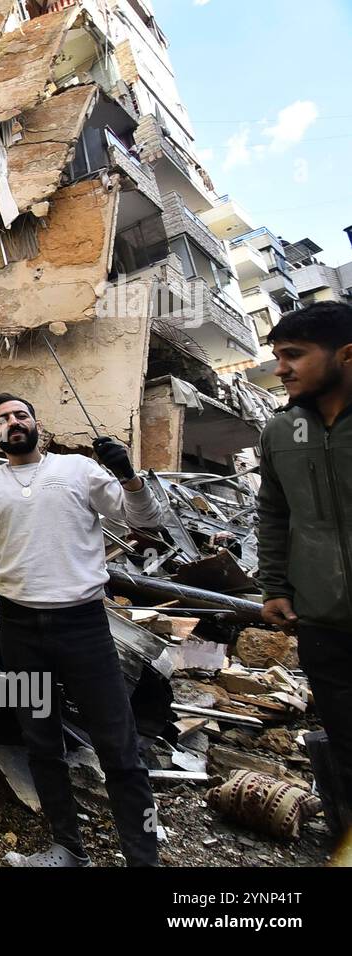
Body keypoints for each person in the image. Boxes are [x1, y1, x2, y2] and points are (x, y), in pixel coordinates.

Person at [0, 393, 166, 867]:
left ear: (36, 423)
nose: (13, 422)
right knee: (42, 743)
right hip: (20, 628)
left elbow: (147, 520)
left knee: (118, 746)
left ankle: (143, 857)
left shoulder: (78, 471)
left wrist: (127, 475)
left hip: (83, 626)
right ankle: (67, 848)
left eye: (21, 414)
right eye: (2, 419)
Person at [257, 301, 352, 841]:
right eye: (277, 357)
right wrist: (276, 586)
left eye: (294, 356)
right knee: (345, 744)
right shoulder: (281, 432)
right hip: (322, 620)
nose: (281, 369)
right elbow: (274, 513)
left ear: (345, 354)